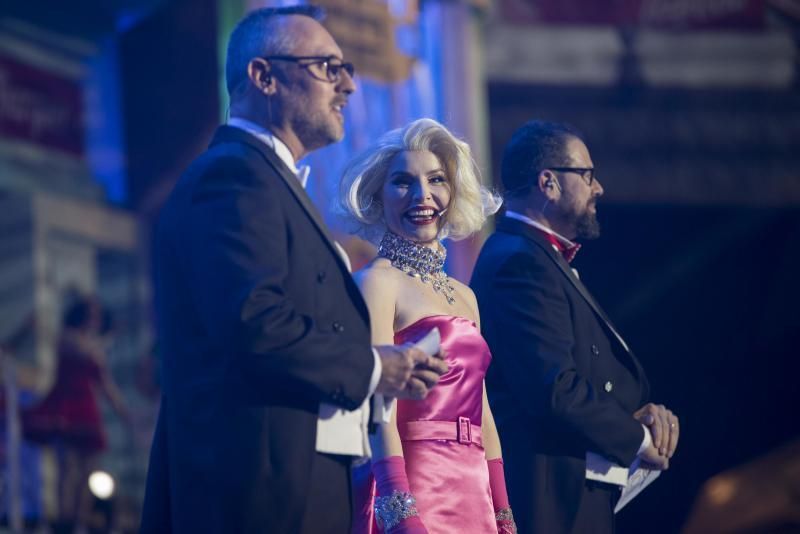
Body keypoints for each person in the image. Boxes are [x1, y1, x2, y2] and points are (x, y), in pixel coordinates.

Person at [140, 7, 447, 533]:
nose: (348, 85)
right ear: (264, 77)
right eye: (328, 67)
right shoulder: (232, 177)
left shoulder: (264, 179)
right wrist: (376, 368)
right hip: (255, 496)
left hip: (295, 485)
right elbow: (255, 323)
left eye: (347, 68)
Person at [470, 120, 681, 534]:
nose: (598, 187)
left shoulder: (534, 258)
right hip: (551, 503)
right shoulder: (520, 263)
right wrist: (639, 437)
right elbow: (554, 389)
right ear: (548, 183)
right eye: (587, 175)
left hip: (572, 494)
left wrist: (635, 412)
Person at [339, 118, 517, 533]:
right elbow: (377, 404)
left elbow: (483, 412)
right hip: (415, 485)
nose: (422, 195)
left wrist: (503, 511)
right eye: (403, 181)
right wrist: (400, 506)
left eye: (436, 179)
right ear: (378, 197)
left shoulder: (465, 296)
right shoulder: (377, 282)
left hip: (475, 492)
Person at [23, 294, 129, 533]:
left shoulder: (93, 343)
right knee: (68, 469)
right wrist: (108, 338)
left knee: (88, 471)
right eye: (91, 314)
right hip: (68, 409)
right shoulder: (68, 338)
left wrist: (124, 412)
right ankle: (64, 521)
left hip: (88, 411)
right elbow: (86, 352)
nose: (94, 319)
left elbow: (106, 384)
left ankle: (81, 521)